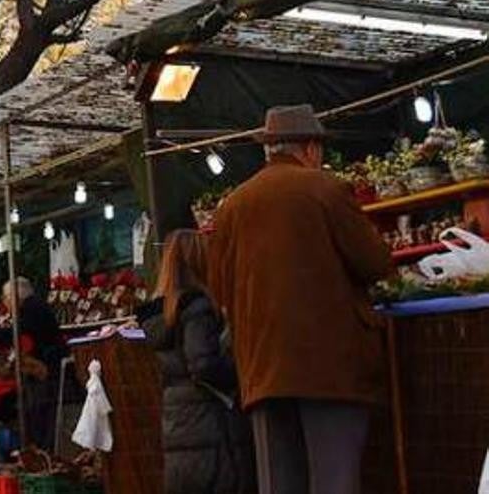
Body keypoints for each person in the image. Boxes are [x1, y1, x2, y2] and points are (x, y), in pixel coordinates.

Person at [209, 104, 393, 494]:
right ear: (311, 149)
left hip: (262, 370)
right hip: (329, 367)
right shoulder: (326, 188)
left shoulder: (231, 207)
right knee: (334, 480)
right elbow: (375, 262)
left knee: (279, 485)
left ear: (269, 150)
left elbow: (218, 288)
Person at [141, 230, 255, 493]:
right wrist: (240, 373)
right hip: (212, 428)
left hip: (179, 427)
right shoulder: (197, 309)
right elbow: (203, 364)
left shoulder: (160, 317)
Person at [0, 275, 76, 451]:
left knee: (41, 416)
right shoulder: (33, 307)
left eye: (6, 298)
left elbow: (17, 334)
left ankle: (41, 452)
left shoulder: (31, 309)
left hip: (48, 373)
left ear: (15, 297)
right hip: (45, 372)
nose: (5, 303)